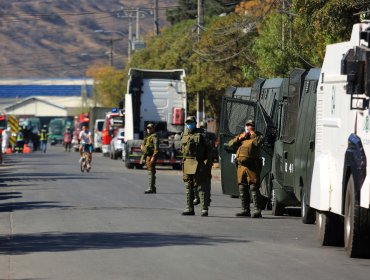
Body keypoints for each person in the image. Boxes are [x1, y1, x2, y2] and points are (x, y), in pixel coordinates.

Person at [228, 120, 264, 218]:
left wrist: (253, 134)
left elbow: (259, 143)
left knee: (253, 187)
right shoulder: (242, 136)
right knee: (242, 188)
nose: (248, 127)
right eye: (247, 125)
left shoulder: (258, 136)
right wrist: (240, 137)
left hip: (252, 167)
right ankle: (245, 209)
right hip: (241, 167)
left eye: (251, 125)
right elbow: (230, 144)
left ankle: (257, 210)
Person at [180, 116, 213, 217]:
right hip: (187, 162)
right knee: (188, 185)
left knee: (201, 186)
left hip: (199, 163)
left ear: (195, 123)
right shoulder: (184, 134)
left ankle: (204, 209)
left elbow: (208, 150)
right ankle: (189, 208)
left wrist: (208, 164)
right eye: (188, 122)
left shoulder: (202, 134)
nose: (189, 124)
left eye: (191, 122)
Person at [193, 121, 212, 207]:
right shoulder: (196, 135)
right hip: (197, 161)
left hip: (207, 161)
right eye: (201, 127)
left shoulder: (209, 136)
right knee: (195, 180)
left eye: (204, 127)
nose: (202, 128)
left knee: (206, 181)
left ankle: (207, 198)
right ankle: (197, 196)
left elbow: (210, 146)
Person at [140, 123, 158, 194]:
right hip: (147, 156)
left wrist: (153, 157)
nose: (148, 129)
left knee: (151, 172)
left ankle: (151, 188)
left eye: (150, 128)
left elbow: (156, 148)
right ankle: (153, 188)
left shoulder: (154, 136)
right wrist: (142, 147)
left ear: (153, 129)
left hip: (151, 156)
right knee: (151, 172)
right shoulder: (148, 136)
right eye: (148, 128)